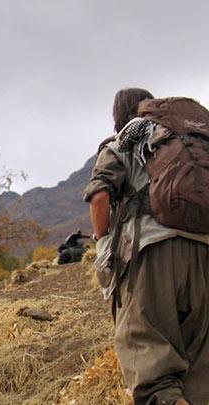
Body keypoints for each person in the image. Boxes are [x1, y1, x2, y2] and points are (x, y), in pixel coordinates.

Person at [84, 88, 209, 405]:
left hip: (151, 255)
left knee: (152, 366)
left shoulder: (125, 140)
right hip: (204, 253)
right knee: (201, 368)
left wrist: (102, 243)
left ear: (118, 116)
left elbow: (99, 196)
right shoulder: (186, 139)